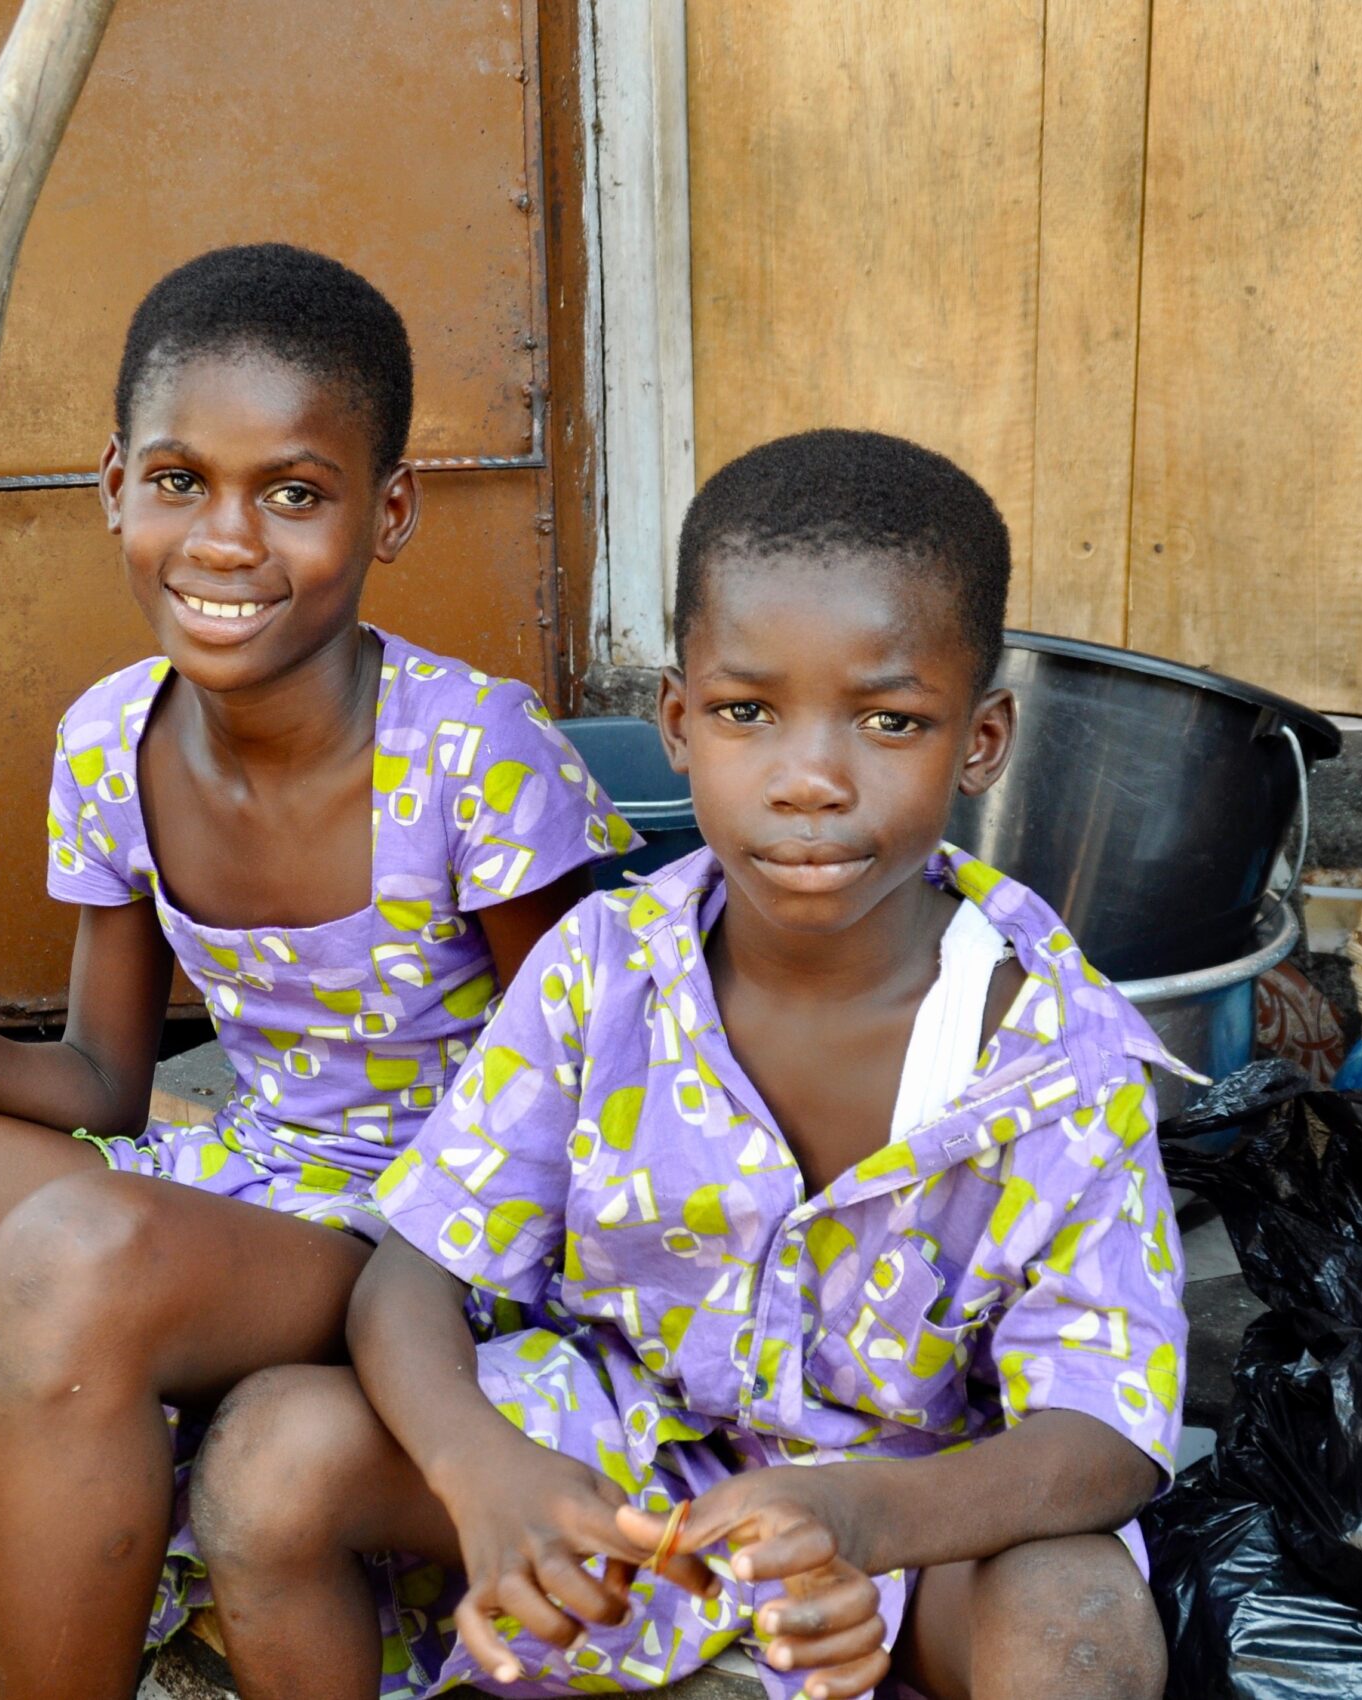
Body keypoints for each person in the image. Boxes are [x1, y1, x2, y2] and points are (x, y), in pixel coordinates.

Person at [0, 243, 633, 1700]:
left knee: (74, 1258)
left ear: (387, 512)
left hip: (430, 1252)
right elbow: (104, 1085)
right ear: (113, 489)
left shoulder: (476, 757)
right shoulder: (109, 741)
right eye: (178, 481)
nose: (225, 542)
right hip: (244, 1187)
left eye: (294, 493)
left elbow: (589, 1124)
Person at [186, 429, 1195, 1700]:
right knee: (270, 1454)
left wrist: (863, 1517)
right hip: (621, 1479)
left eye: (890, 720)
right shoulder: (604, 967)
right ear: (675, 719)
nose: (809, 779)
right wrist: (481, 1469)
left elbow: (1106, 1433)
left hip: (907, 1524)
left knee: (1080, 1620)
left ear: (981, 739)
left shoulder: (1055, 1053)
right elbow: (411, 1273)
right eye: (745, 712)